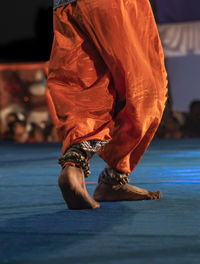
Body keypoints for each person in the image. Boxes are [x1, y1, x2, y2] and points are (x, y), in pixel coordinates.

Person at [46, 0, 168, 209]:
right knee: (146, 89)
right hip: (115, 4)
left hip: (66, 5)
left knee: (83, 90)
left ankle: (74, 166)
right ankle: (114, 176)